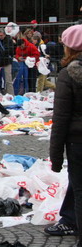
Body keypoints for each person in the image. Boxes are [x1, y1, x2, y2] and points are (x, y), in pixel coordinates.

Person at [50, 24, 82, 247]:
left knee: (80, 191)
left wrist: (56, 157)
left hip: (78, 143)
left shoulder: (68, 74)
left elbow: (60, 119)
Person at [0, 28, 15, 95]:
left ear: (4, 34)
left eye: (1, 35)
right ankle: (1, 92)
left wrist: (2, 52)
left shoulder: (9, 40)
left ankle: (11, 94)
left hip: (7, 62)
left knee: (8, 80)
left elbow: (11, 51)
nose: (0, 37)